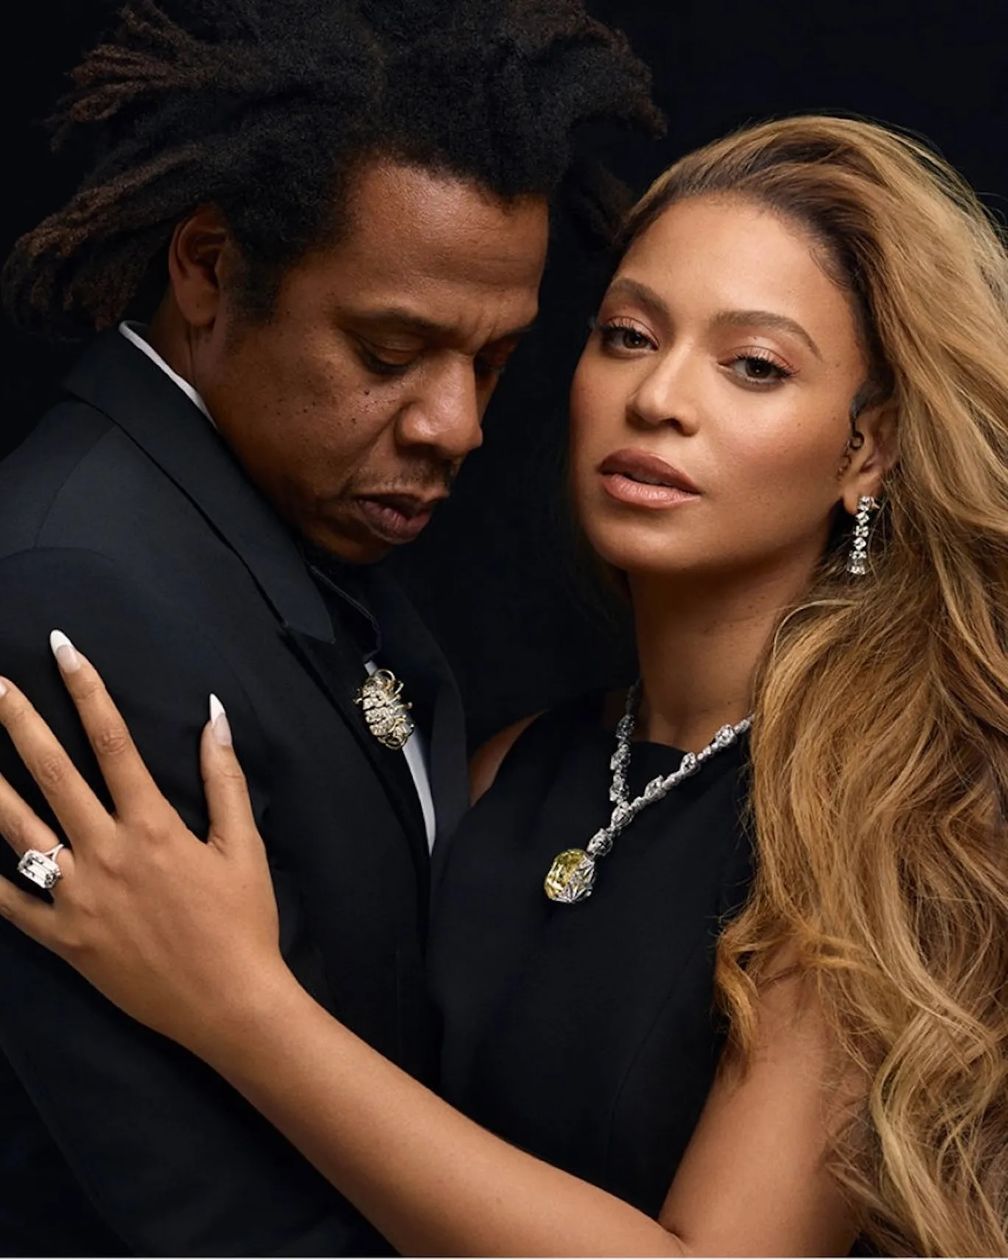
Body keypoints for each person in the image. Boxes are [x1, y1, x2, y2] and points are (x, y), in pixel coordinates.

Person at [1, 113, 1006, 1257]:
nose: (659, 396)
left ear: (866, 451)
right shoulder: (505, 770)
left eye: (754, 366)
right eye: (628, 336)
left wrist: (241, 1005)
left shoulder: (902, 819)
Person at [0, 1, 660, 1254]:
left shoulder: (274, 518)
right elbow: (216, 1223)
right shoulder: (69, 599)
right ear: (209, 268)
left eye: (495, 359)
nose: (457, 425)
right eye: (390, 348)